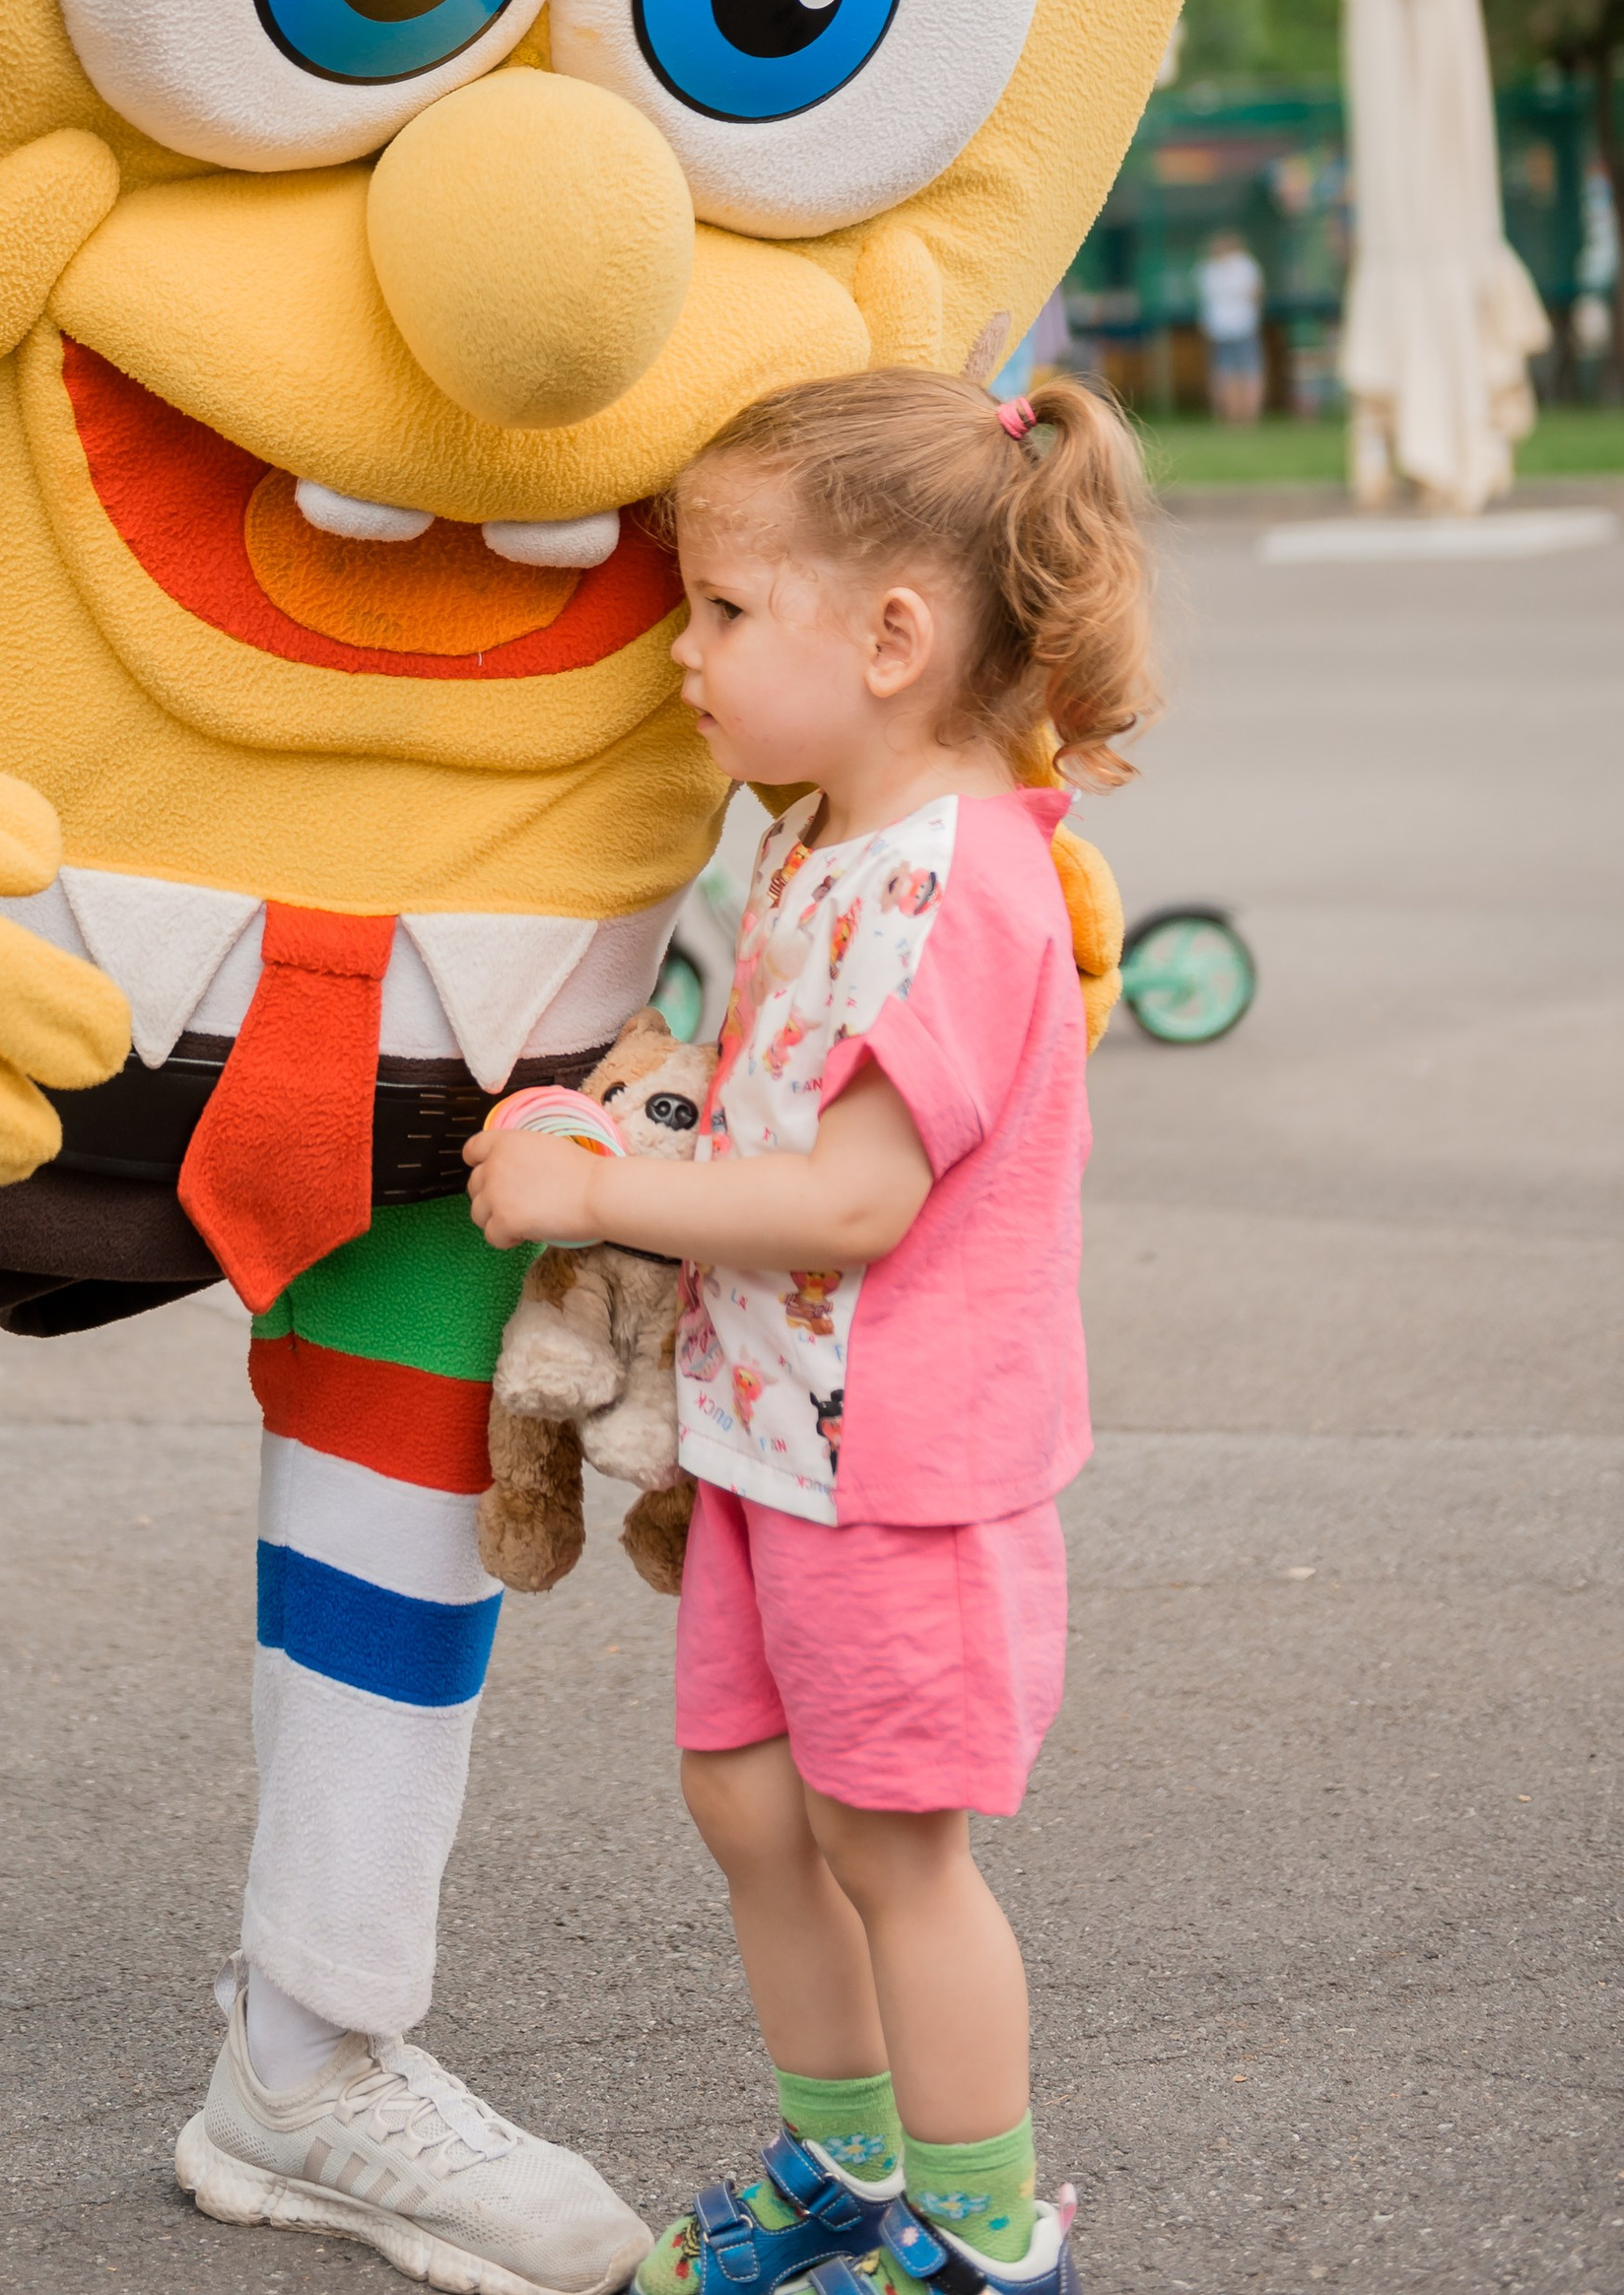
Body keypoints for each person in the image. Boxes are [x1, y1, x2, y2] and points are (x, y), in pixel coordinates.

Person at [467, 370, 1157, 2295]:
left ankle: (983, 2239)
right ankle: (849, 2163)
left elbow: (856, 1199)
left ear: (889, 638)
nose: (679, 651)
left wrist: (599, 1195)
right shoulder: (829, 844)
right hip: (779, 1435)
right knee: (750, 1801)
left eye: (720, 608)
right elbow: (773, 1107)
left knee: (891, 1849)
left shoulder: (958, 888)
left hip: (902, 1468)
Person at [1194, 230, 1266, 426]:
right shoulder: (1245, 265)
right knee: (1246, 371)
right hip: (1240, 326)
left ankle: (1232, 416)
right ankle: (1245, 416)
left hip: (1223, 327)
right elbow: (1256, 293)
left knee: (1226, 372)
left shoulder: (1208, 269)